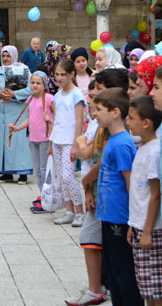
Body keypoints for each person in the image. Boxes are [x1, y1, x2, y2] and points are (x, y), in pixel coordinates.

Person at [93, 87, 142, 305]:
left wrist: (133, 221)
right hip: (108, 215)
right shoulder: (112, 140)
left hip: (121, 218)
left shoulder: (122, 143)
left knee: (123, 271)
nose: (95, 114)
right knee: (112, 270)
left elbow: (131, 183)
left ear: (114, 112)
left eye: (99, 109)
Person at [66, 80, 107, 306]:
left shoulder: (106, 126)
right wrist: (89, 188)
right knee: (90, 238)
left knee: (97, 240)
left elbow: (90, 153)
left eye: (96, 95)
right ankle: (97, 288)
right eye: (89, 95)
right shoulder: (96, 122)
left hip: (106, 192)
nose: (90, 100)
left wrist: (81, 144)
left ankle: (99, 289)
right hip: (94, 189)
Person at [126, 96, 162, 306]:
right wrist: (133, 225)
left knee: (156, 290)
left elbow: (155, 195)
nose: (128, 122)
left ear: (146, 123)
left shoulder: (155, 152)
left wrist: (147, 230)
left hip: (153, 230)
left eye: (131, 118)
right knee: (147, 288)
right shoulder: (144, 148)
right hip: (140, 226)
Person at [48, 59, 86, 227]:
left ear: (72, 74)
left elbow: (79, 121)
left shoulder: (76, 94)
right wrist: (50, 142)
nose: (60, 78)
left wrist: (75, 144)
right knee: (63, 179)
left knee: (68, 176)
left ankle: (80, 212)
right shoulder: (57, 95)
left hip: (70, 141)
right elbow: (56, 120)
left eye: (63, 74)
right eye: (57, 74)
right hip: (57, 139)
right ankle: (69, 211)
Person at [0, 45, 33, 183]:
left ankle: (22, 172)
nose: (6, 58)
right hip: (1, 112)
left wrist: (14, 94)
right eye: (3, 56)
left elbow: (32, 89)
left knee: (18, 142)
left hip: (17, 111)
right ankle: (6, 173)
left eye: (8, 56)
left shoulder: (24, 70)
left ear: (14, 56)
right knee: (2, 142)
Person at [9, 71, 54, 204]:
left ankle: (48, 195)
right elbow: (29, 118)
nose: (34, 85)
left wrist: (50, 120)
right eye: (32, 83)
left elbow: (57, 117)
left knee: (44, 168)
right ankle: (42, 194)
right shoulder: (30, 99)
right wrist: (17, 128)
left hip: (46, 139)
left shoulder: (49, 98)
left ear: (44, 85)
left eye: (38, 83)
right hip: (33, 138)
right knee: (38, 170)